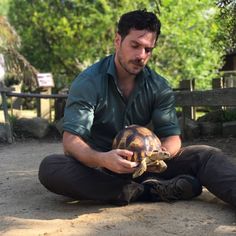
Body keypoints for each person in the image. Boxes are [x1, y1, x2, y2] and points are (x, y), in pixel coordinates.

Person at [39, 10, 236, 207]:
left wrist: (156, 157)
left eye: (148, 50)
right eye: (135, 46)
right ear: (118, 41)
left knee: (207, 155)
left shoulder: (159, 86)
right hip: (100, 168)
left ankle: (143, 186)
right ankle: (146, 191)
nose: (141, 56)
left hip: (147, 165)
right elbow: (71, 141)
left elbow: (172, 137)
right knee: (51, 167)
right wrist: (103, 159)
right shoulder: (88, 83)